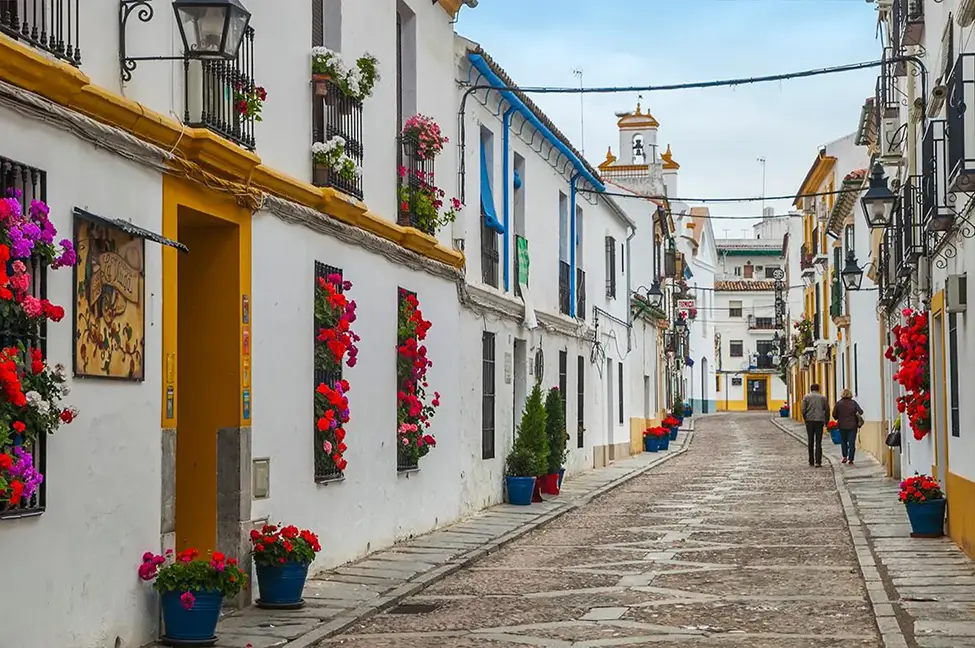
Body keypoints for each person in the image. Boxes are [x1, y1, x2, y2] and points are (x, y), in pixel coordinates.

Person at [833, 388, 864, 467]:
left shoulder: (838, 403)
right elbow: (861, 412)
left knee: (843, 441)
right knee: (852, 442)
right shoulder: (853, 403)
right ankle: (851, 459)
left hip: (842, 426)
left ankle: (844, 456)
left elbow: (834, 415)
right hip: (852, 426)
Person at [801, 383, 829, 467]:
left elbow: (803, 409)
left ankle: (811, 460)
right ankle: (818, 461)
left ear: (811, 389)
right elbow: (827, 410)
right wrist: (826, 421)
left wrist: (805, 418)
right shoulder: (823, 398)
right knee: (818, 441)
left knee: (810, 440)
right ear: (818, 389)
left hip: (809, 421)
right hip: (819, 420)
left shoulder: (806, 397)